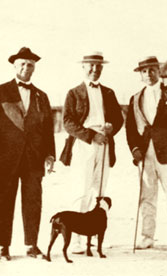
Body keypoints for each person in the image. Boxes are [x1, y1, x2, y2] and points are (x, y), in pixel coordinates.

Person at [0, 47, 56, 261]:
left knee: (33, 201)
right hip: (5, 158)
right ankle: (3, 246)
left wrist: (49, 154)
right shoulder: (0, 91)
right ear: (14, 65)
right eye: (22, 63)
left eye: (30, 64)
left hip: (34, 159)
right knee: (4, 201)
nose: (26, 68)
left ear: (34, 68)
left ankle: (31, 245)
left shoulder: (42, 96)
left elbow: (48, 128)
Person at [59, 51, 124, 253]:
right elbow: (67, 122)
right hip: (83, 144)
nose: (95, 70)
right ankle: (76, 240)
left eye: (99, 66)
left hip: (104, 143)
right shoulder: (73, 93)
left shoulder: (109, 92)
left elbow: (119, 119)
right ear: (83, 67)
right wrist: (90, 135)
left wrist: (112, 128)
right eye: (91, 66)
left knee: (100, 190)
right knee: (82, 189)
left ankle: (95, 236)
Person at [125, 56, 167, 253]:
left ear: (158, 70)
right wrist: (135, 150)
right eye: (144, 71)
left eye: (152, 69)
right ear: (140, 75)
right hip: (145, 154)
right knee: (147, 197)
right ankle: (147, 237)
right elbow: (130, 129)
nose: (149, 74)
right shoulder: (135, 98)